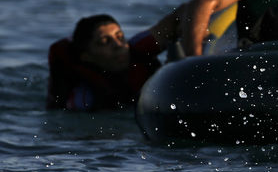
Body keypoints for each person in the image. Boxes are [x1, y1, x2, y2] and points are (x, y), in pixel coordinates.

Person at [46, 7, 183, 111]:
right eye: (105, 42)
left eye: (120, 36)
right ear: (87, 57)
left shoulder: (137, 48)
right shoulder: (85, 99)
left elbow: (183, 14)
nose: (119, 46)